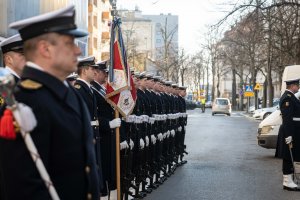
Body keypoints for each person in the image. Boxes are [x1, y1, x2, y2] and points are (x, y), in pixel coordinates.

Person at [0, 5, 100, 200]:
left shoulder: (68, 91)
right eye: (69, 43)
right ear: (45, 49)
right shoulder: (25, 101)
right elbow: (22, 186)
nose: (78, 51)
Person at [277, 78, 300, 191]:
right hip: (290, 131)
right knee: (288, 156)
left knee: (292, 156)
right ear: (292, 86)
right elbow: (287, 118)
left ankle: (289, 180)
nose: (298, 87)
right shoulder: (287, 98)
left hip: (293, 130)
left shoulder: (291, 97)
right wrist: (289, 134)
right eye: (297, 85)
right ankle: (287, 182)